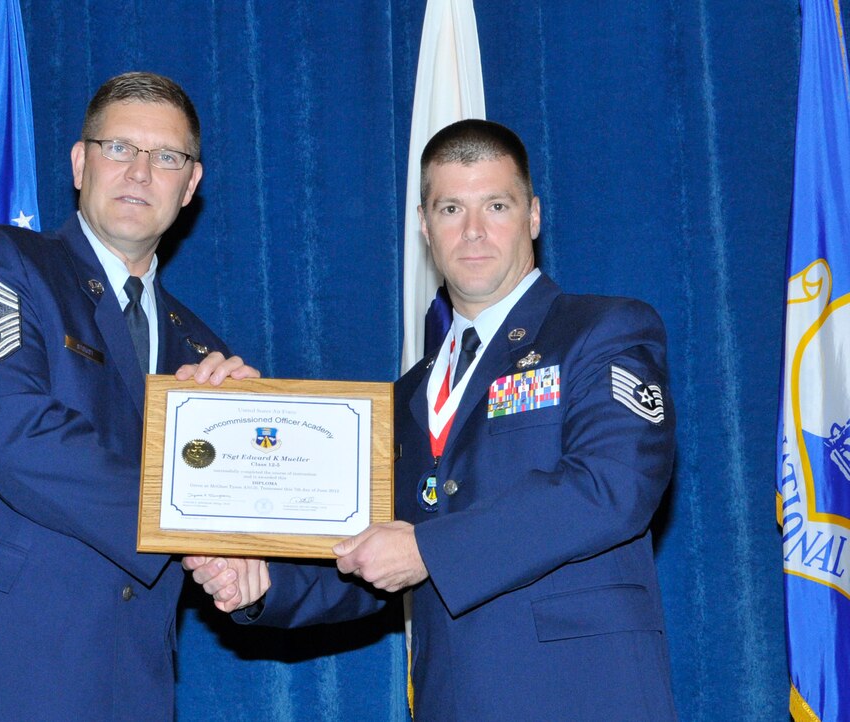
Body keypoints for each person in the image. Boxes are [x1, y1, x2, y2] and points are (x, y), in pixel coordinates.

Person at [187, 119, 678, 720]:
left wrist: (429, 548)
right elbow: (369, 553)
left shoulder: (602, 331)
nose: (473, 231)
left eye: (496, 205)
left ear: (533, 216)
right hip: (451, 697)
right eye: (450, 208)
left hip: (581, 693)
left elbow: (613, 487)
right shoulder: (406, 395)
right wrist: (262, 585)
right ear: (425, 225)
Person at [0, 71, 258, 721]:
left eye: (167, 157)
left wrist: (249, 549)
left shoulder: (206, 357)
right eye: (118, 147)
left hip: (122, 687)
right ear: (79, 162)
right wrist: (192, 518)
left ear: (190, 186)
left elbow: (255, 506)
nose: (140, 171)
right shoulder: (0, 263)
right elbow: (19, 436)